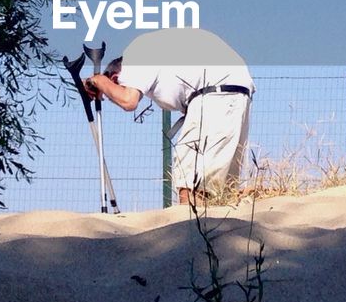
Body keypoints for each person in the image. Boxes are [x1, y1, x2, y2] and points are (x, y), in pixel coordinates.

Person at [83, 27, 253, 207]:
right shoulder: (156, 53)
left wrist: (99, 80)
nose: (111, 96)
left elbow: (128, 100)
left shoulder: (135, 55)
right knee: (219, 190)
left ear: (115, 77)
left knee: (191, 185)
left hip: (215, 94)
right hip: (237, 92)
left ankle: (191, 232)